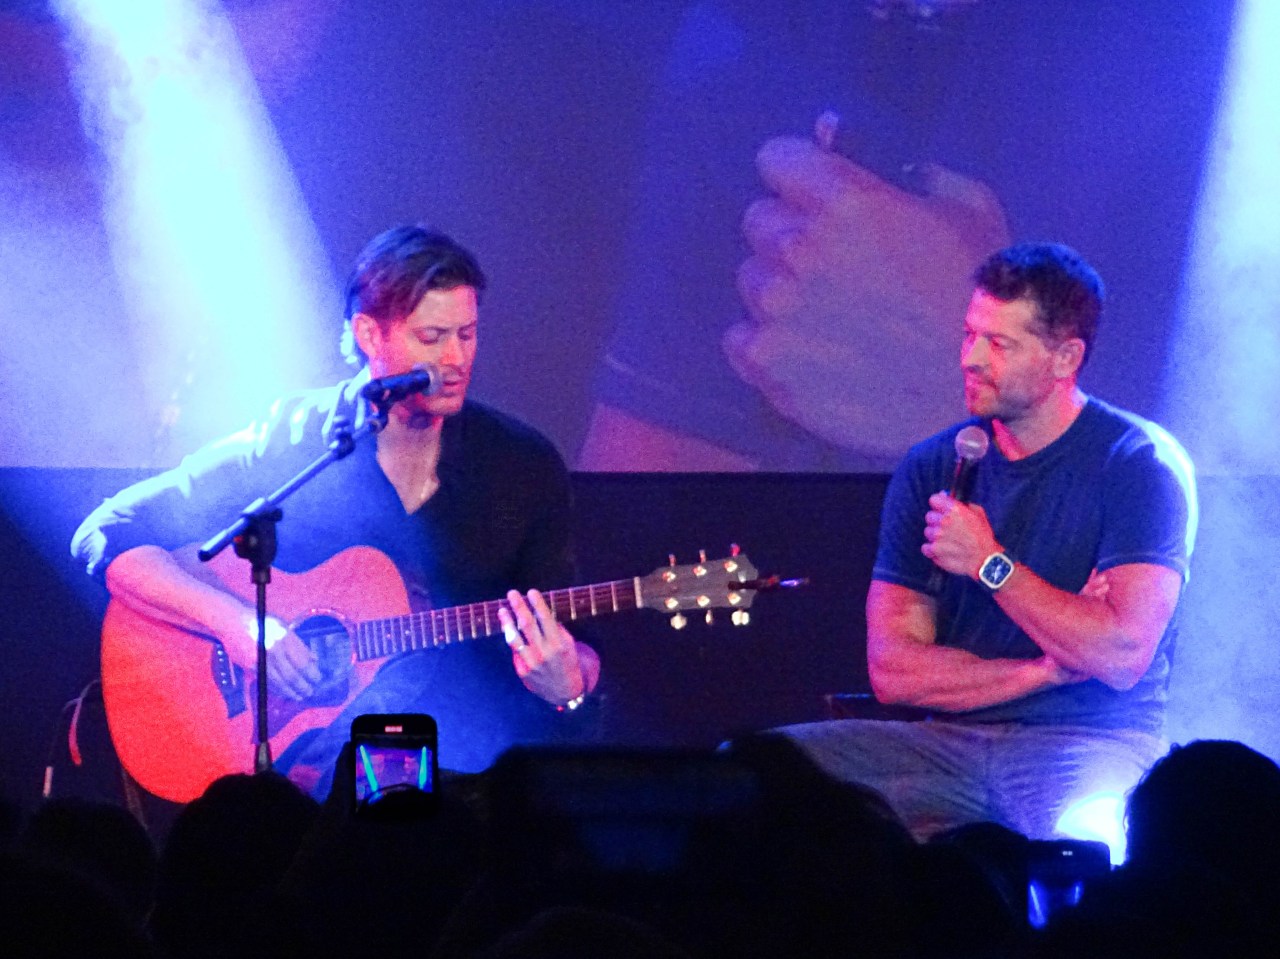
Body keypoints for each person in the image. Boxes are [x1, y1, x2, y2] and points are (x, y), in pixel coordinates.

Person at [71, 225, 600, 799]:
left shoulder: (522, 465)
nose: (454, 359)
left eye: (467, 335)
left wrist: (569, 688)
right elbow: (108, 532)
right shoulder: (293, 441)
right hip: (302, 798)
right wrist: (240, 625)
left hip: (463, 788)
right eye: (432, 337)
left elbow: (574, 650)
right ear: (369, 333)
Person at [761, 243, 1197, 842]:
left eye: (999, 344)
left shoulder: (1136, 464)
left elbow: (1120, 657)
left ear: (1065, 357)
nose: (971, 359)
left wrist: (990, 563)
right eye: (970, 335)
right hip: (944, 740)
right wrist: (1042, 672)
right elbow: (893, 671)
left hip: (1089, 742)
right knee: (756, 772)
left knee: (1088, 829)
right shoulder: (933, 464)